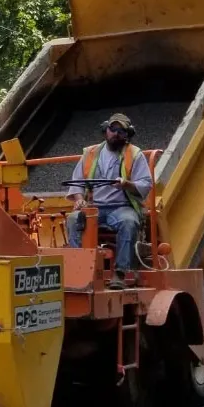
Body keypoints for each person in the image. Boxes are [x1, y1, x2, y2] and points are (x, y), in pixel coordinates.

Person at [65, 113, 152, 290]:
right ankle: (80, 269)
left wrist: (126, 184)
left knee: (128, 222)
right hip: (95, 207)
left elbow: (145, 184)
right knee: (74, 219)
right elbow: (77, 182)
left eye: (121, 131)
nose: (116, 133)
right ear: (106, 130)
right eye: (113, 129)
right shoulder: (89, 153)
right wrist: (80, 199)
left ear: (128, 134)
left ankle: (120, 272)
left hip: (121, 207)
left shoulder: (135, 154)